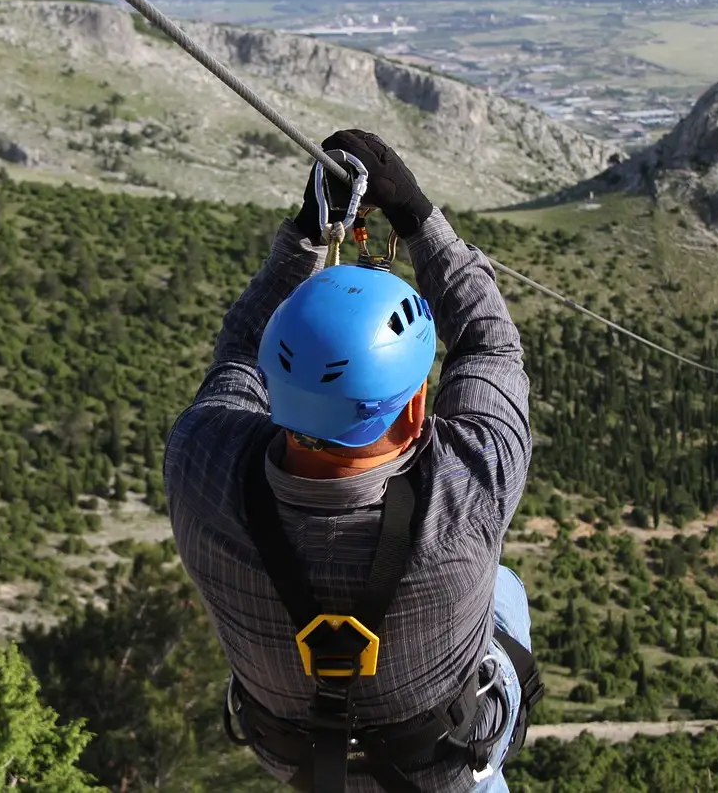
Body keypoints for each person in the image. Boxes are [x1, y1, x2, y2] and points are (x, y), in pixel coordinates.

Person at [164, 129, 539, 793]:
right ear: (417, 412)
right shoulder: (467, 487)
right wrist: (418, 215)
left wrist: (310, 232)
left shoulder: (202, 466)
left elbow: (238, 352)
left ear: (276, 390)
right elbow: (490, 347)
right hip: (441, 760)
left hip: (294, 754)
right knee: (504, 587)